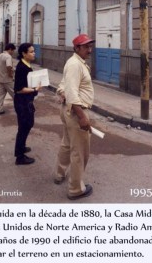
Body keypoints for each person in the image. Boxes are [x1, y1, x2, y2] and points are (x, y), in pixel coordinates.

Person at [54, 34, 95, 200]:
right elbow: (72, 93)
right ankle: (76, 189)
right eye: (85, 47)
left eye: (89, 46)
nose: (89, 50)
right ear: (76, 48)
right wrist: (83, 117)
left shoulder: (76, 63)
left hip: (69, 110)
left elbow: (63, 86)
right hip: (77, 113)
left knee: (67, 144)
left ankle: (59, 173)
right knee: (79, 152)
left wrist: (62, 93)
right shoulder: (74, 65)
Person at [13, 43, 41, 165]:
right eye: (31, 52)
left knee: (26, 125)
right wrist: (35, 89)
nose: (34, 53)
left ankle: (22, 147)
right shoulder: (21, 68)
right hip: (22, 102)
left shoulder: (27, 65)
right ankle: (20, 157)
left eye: (34, 51)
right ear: (24, 54)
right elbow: (19, 88)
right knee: (24, 126)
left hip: (26, 101)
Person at [0, 43, 16, 115]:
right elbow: (8, 66)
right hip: (7, 80)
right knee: (15, 94)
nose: (13, 52)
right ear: (10, 49)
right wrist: (11, 75)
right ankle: (20, 108)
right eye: (13, 50)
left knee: (0, 95)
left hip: (0, 78)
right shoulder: (8, 57)